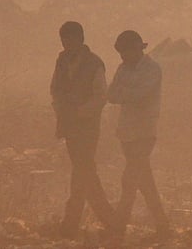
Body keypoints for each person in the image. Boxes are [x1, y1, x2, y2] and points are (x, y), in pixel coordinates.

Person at [50, 21, 116, 238]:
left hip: (87, 127)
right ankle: (108, 222)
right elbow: (55, 90)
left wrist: (78, 112)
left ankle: (77, 223)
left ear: (80, 39)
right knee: (83, 173)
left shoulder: (94, 63)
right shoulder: (61, 62)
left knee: (83, 172)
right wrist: (61, 110)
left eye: (70, 38)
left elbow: (100, 97)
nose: (67, 43)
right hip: (70, 127)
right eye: (64, 39)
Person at [107, 30, 170, 241]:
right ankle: (163, 226)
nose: (123, 57)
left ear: (136, 48)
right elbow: (112, 95)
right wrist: (128, 93)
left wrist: (125, 93)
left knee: (129, 181)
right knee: (145, 182)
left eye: (125, 52)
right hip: (127, 133)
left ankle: (117, 229)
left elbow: (139, 95)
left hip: (144, 133)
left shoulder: (152, 69)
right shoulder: (123, 69)